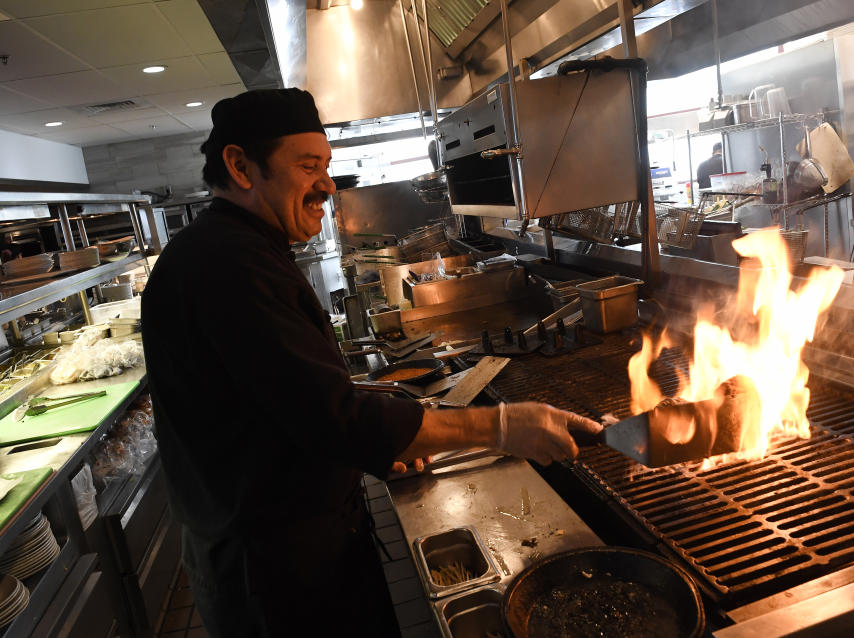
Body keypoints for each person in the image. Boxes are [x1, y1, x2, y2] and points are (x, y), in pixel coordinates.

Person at [140, 88, 601, 638]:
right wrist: (500, 426)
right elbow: (332, 416)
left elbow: (285, 407)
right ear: (241, 166)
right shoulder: (227, 266)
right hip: (275, 577)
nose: (327, 185)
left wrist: (390, 443)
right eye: (308, 166)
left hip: (278, 546)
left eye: (328, 166)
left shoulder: (238, 249)